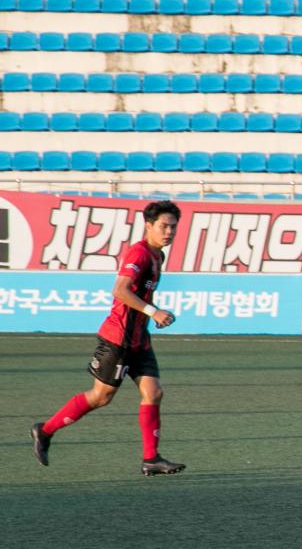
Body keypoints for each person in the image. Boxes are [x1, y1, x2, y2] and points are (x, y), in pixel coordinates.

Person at [30, 200, 186, 476]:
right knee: (101, 397)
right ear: (148, 225)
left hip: (139, 339)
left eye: (173, 227)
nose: (169, 232)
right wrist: (154, 311)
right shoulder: (138, 254)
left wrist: (150, 316)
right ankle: (45, 430)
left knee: (154, 392)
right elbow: (120, 290)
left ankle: (151, 459)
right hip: (118, 339)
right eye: (164, 226)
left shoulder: (157, 255)